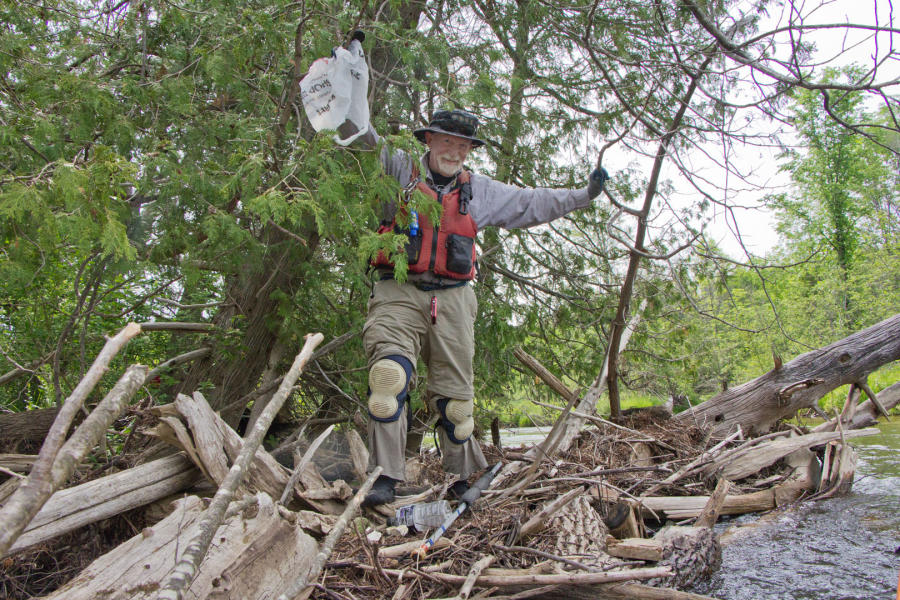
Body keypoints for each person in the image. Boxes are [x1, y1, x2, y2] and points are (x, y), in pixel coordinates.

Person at [360, 108, 609, 505]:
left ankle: (464, 477)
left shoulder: (479, 190)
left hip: (455, 298)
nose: (454, 152)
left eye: (462, 146)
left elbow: (532, 203)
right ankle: (385, 475)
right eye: (446, 142)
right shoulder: (399, 168)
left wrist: (584, 195)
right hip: (399, 289)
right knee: (388, 379)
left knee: (456, 406)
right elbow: (360, 135)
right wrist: (346, 90)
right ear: (429, 140)